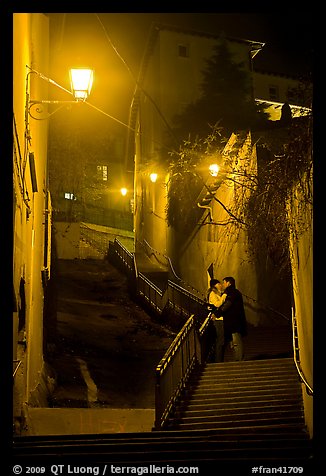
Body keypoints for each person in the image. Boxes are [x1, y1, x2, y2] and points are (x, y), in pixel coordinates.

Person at [216, 276, 247, 361]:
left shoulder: (230, 292)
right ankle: (237, 358)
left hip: (233, 321)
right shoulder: (235, 292)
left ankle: (238, 359)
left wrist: (218, 313)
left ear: (229, 283)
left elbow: (227, 304)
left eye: (224, 282)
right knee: (234, 341)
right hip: (235, 320)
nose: (223, 284)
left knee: (236, 341)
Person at [206, 278, 226, 362]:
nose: (220, 285)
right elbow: (217, 304)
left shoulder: (216, 293)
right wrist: (223, 297)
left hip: (220, 318)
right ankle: (218, 360)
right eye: (219, 284)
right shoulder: (212, 294)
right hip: (218, 319)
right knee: (220, 340)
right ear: (215, 285)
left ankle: (219, 359)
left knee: (221, 340)